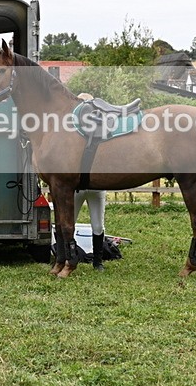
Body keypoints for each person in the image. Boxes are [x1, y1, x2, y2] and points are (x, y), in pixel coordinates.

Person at [74, 92, 107, 271]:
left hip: (96, 185)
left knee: (98, 224)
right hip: (77, 186)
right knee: (68, 221)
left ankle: (98, 261)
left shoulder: (102, 135)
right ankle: (68, 255)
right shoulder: (72, 133)